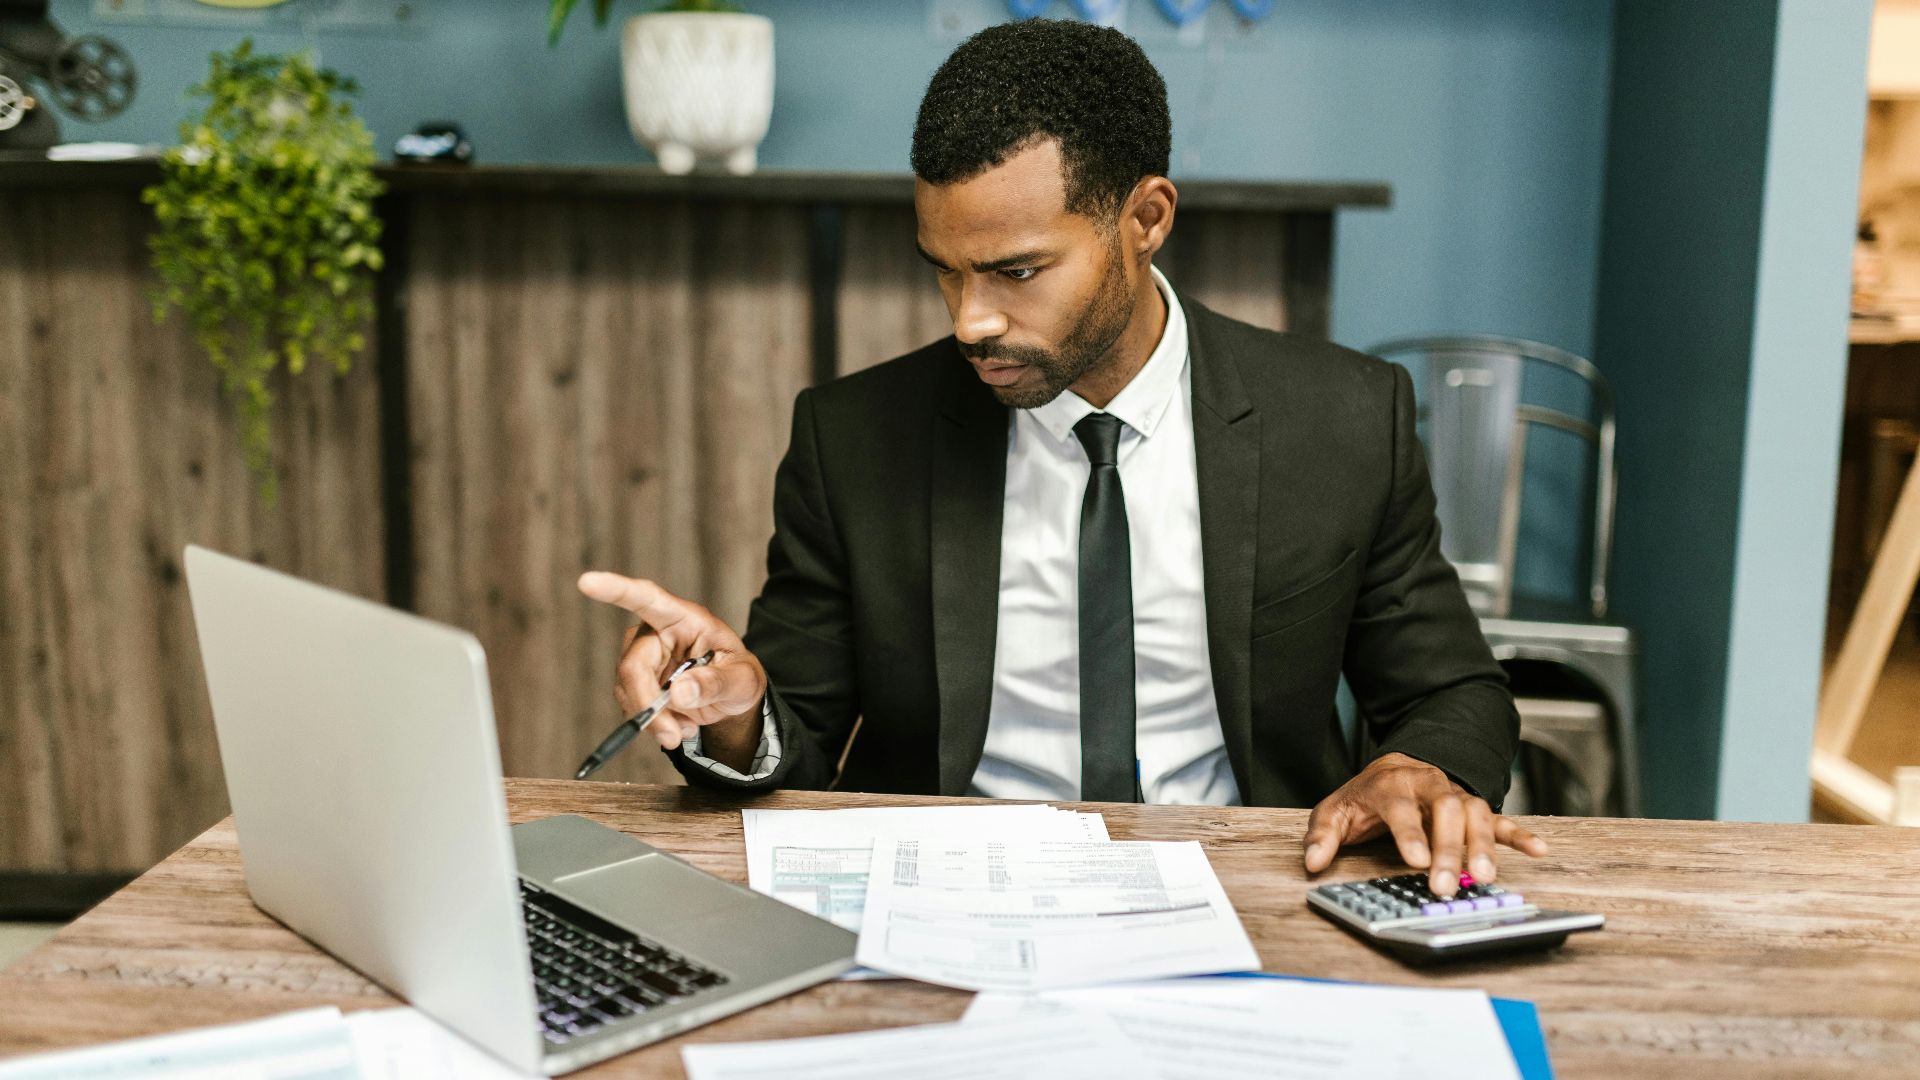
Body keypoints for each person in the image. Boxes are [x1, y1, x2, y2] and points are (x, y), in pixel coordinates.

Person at [578, 19, 1545, 898]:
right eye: (945, 272)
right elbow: (798, 732)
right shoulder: (856, 438)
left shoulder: (1339, 419)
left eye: (1016, 270)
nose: (973, 320)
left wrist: (1427, 768)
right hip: (949, 894)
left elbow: (1449, 689)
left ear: (1147, 219)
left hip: (1255, 883)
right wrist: (734, 710)